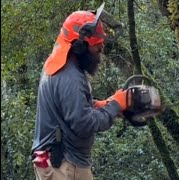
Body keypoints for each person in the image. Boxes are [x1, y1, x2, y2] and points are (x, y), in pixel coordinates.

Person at [31, 9, 127, 180]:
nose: (101, 47)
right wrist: (115, 106)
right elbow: (83, 124)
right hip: (65, 166)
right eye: (96, 43)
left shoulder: (60, 63)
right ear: (79, 46)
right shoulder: (70, 77)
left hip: (57, 163)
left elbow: (66, 108)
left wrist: (99, 105)